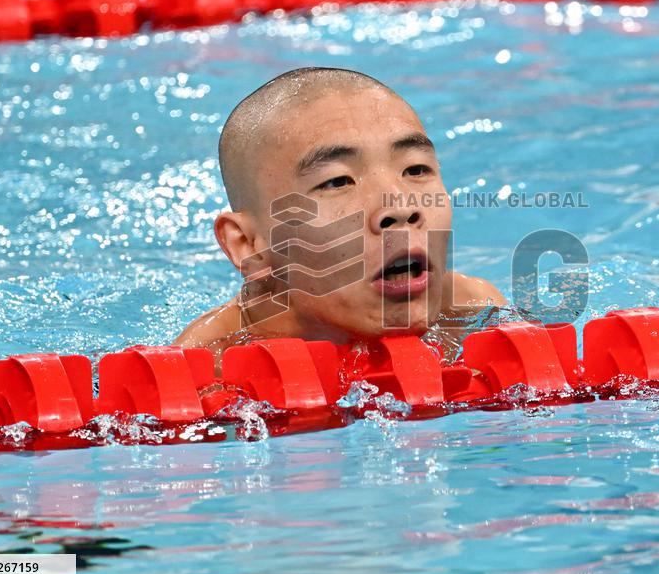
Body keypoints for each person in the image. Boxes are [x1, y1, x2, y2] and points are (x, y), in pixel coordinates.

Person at [174, 67, 505, 357]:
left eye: (416, 170)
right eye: (337, 181)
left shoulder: (472, 312)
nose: (402, 208)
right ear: (248, 244)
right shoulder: (205, 366)